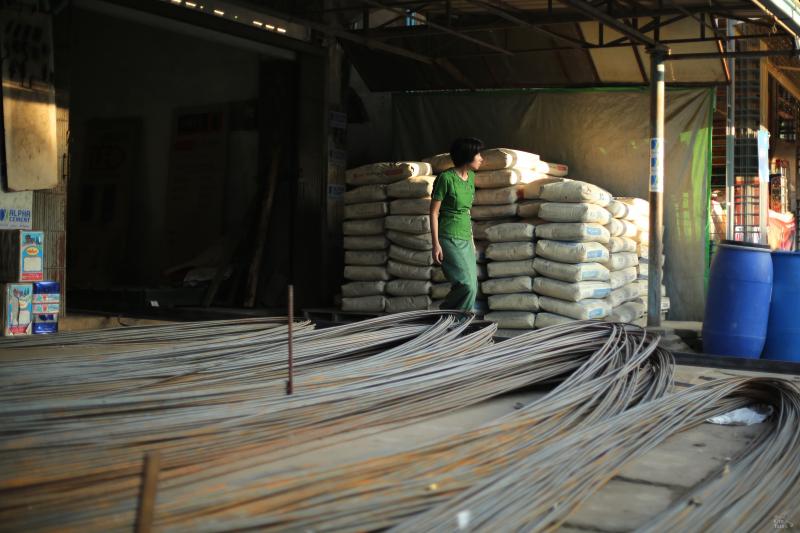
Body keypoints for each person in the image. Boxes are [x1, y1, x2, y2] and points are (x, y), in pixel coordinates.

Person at [430, 137, 484, 311]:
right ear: (467, 156)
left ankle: (451, 320)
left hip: (466, 238)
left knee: (472, 287)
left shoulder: (471, 178)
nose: (481, 158)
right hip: (448, 237)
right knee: (465, 285)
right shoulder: (445, 179)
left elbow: (467, 211)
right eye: (478, 154)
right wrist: (435, 244)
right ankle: (451, 319)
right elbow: (433, 212)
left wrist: (472, 239)